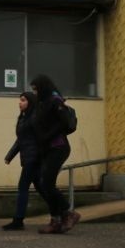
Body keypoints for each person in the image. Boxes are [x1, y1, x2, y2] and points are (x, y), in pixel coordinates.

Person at [28, 74, 81, 234]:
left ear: (43, 87)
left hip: (58, 147)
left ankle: (68, 212)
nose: (35, 93)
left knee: (47, 183)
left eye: (36, 90)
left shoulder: (55, 100)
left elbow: (64, 123)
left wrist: (47, 136)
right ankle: (56, 221)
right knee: (42, 183)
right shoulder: (42, 103)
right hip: (46, 148)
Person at [1, 91, 40, 231]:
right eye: (20, 100)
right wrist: (9, 156)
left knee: (22, 187)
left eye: (23, 100)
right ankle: (62, 211)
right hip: (28, 158)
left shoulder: (35, 118)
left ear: (30, 102)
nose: (20, 102)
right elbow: (20, 140)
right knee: (42, 188)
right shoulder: (23, 118)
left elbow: (41, 139)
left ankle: (18, 220)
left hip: (33, 159)